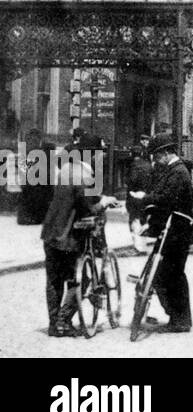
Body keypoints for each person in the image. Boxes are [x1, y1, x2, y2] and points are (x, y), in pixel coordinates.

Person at [41, 141, 115, 336]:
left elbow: (74, 197)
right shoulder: (84, 174)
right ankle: (64, 321)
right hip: (69, 237)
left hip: (51, 232)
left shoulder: (65, 169)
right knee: (80, 280)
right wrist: (105, 202)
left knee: (54, 280)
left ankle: (53, 323)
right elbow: (88, 207)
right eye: (97, 154)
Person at [134, 135, 193, 332]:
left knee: (173, 275)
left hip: (178, 231)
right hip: (171, 230)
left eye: (157, 155)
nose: (156, 160)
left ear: (167, 153)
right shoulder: (172, 170)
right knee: (165, 275)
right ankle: (176, 316)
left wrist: (145, 198)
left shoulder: (178, 172)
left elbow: (166, 199)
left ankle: (181, 319)